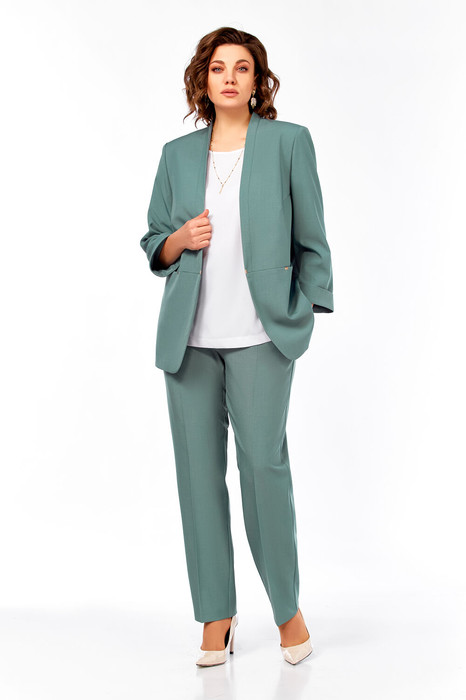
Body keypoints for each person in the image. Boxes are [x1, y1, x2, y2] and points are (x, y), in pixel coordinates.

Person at [140, 26, 334, 667]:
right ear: (204, 80)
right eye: (218, 67)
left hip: (260, 336)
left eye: (242, 67)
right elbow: (154, 241)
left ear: (257, 81)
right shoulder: (176, 154)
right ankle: (215, 616)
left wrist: (305, 310)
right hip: (189, 340)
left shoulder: (288, 143)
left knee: (263, 471)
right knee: (198, 480)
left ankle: (287, 610)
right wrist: (180, 239)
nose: (229, 77)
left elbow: (313, 236)